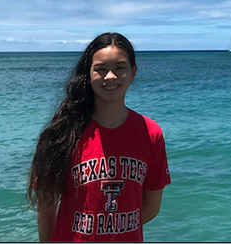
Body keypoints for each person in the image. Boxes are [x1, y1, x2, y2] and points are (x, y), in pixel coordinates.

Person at [27, 32, 171, 242]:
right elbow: (46, 209)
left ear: (133, 72)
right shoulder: (61, 134)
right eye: (100, 70)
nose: (110, 76)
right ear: (88, 74)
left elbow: (151, 207)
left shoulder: (151, 133)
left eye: (120, 68)